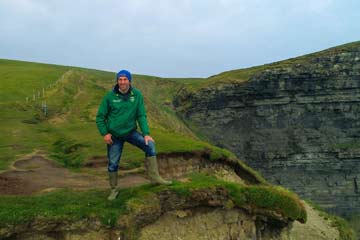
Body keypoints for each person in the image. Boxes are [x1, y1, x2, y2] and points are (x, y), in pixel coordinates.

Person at [96, 69, 171, 201]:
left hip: (131, 132)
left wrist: (146, 134)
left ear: (129, 81)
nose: (122, 82)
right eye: (120, 79)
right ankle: (114, 189)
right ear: (117, 81)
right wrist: (105, 133)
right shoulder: (110, 97)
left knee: (150, 145)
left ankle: (155, 179)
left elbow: (141, 115)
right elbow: (100, 117)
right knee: (113, 163)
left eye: (125, 79)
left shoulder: (137, 95)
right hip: (114, 135)